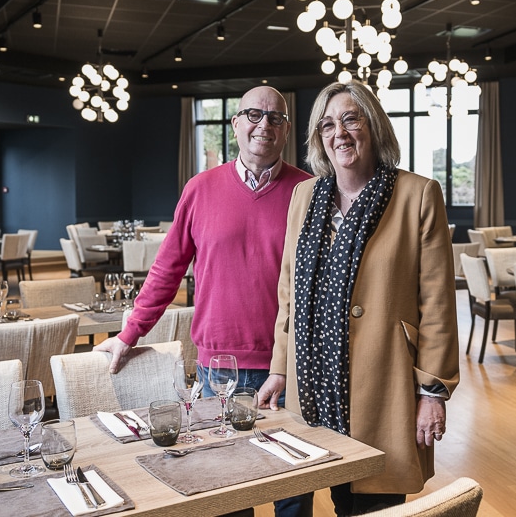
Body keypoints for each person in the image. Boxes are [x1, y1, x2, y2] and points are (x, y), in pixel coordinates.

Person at [93, 85, 313, 517]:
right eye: (253, 115)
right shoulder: (200, 189)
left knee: (292, 485)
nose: (263, 125)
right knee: (227, 483)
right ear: (235, 125)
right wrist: (128, 332)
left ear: (287, 130)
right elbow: (166, 270)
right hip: (220, 366)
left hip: (286, 365)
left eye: (275, 118)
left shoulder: (307, 191)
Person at [258, 81, 460, 516]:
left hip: (382, 382)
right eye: (328, 125)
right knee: (294, 499)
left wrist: (433, 393)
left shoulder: (417, 194)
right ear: (318, 138)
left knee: (369, 505)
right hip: (310, 384)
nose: (340, 133)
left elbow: (439, 304)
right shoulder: (304, 196)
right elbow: (287, 293)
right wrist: (279, 369)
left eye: (351, 118)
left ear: (374, 125)